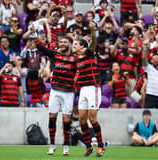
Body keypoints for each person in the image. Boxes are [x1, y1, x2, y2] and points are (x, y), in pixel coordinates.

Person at [35, 33, 76, 156]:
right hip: (55, 91)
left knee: (66, 120)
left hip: (68, 93)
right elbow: (40, 47)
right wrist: (34, 33)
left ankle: (66, 145)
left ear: (70, 44)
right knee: (52, 117)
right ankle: (52, 145)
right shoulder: (56, 55)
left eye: (65, 42)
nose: (63, 44)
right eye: (61, 42)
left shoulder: (75, 58)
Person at [73, 22, 105, 157]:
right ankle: (88, 146)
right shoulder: (76, 59)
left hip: (93, 88)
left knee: (92, 118)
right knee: (81, 119)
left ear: (82, 47)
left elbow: (92, 43)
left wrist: (92, 30)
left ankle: (101, 146)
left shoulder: (89, 54)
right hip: (83, 90)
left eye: (76, 44)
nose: (73, 46)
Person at [142, 36, 158, 108]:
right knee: (147, 113)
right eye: (154, 59)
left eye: (157, 59)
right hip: (149, 94)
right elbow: (144, 59)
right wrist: (145, 48)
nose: (156, 60)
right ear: (151, 60)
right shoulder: (148, 68)